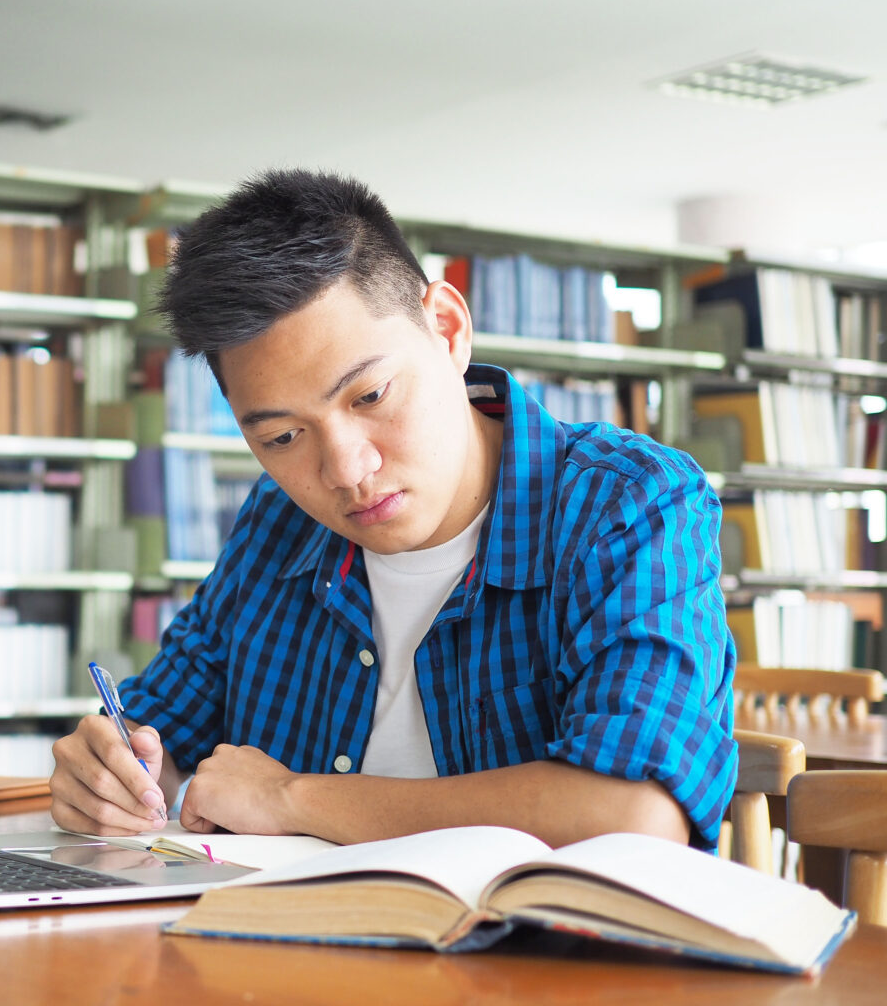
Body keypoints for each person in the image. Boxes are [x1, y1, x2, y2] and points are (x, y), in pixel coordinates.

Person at [51, 168, 736, 850]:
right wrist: (112, 773)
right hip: (278, 946)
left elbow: (636, 818)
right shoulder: (278, 521)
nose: (345, 471)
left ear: (446, 328)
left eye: (370, 397)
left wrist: (293, 799)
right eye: (283, 438)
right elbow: (158, 733)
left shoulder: (626, 504)